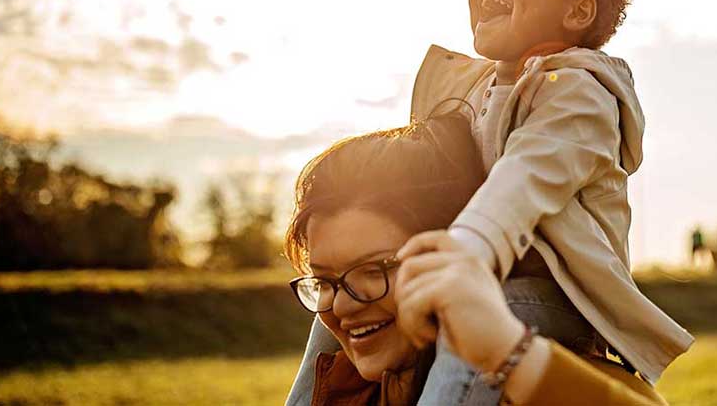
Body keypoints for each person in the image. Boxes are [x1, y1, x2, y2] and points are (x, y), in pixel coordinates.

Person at [288, 0, 693, 404]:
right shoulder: (479, 89)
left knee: (476, 319)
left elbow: (520, 183)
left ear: (578, 13)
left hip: (554, 297)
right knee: (334, 307)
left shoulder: (579, 93)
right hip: (485, 273)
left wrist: (465, 252)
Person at [283, 113, 666, 405]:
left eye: (374, 270)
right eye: (326, 281)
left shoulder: (557, 388)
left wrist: (512, 356)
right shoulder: (345, 389)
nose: (345, 305)